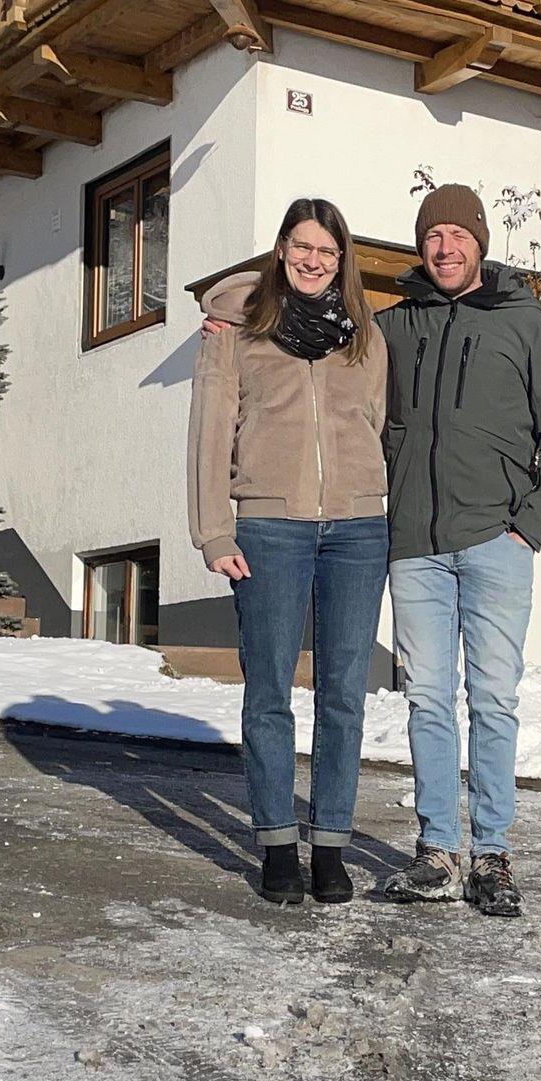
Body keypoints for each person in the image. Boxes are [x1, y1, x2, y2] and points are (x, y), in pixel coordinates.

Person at [375, 185, 541, 918]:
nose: (445, 248)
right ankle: (437, 850)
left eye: (457, 236)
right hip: (414, 545)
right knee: (427, 699)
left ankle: (491, 854)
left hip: (498, 542)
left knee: (493, 701)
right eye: (433, 236)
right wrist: (229, 323)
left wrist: (528, 526)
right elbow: (314, 343)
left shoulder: (528, 328)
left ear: (480, 243)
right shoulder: (392, 327)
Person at [188, 198, 388, 905]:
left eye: (327, 251)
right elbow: (211, 429)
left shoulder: (363, 334)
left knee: (344, 696)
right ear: (280, 249)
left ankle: (329, 845)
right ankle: (276, 844)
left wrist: (369, 495)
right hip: (270, 528)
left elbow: (375, 422)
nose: (314, 260)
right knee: (269, 691)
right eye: (302, 246)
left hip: (358, 531)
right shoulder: (238, 331)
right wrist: (214, 530)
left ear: (342, 261)